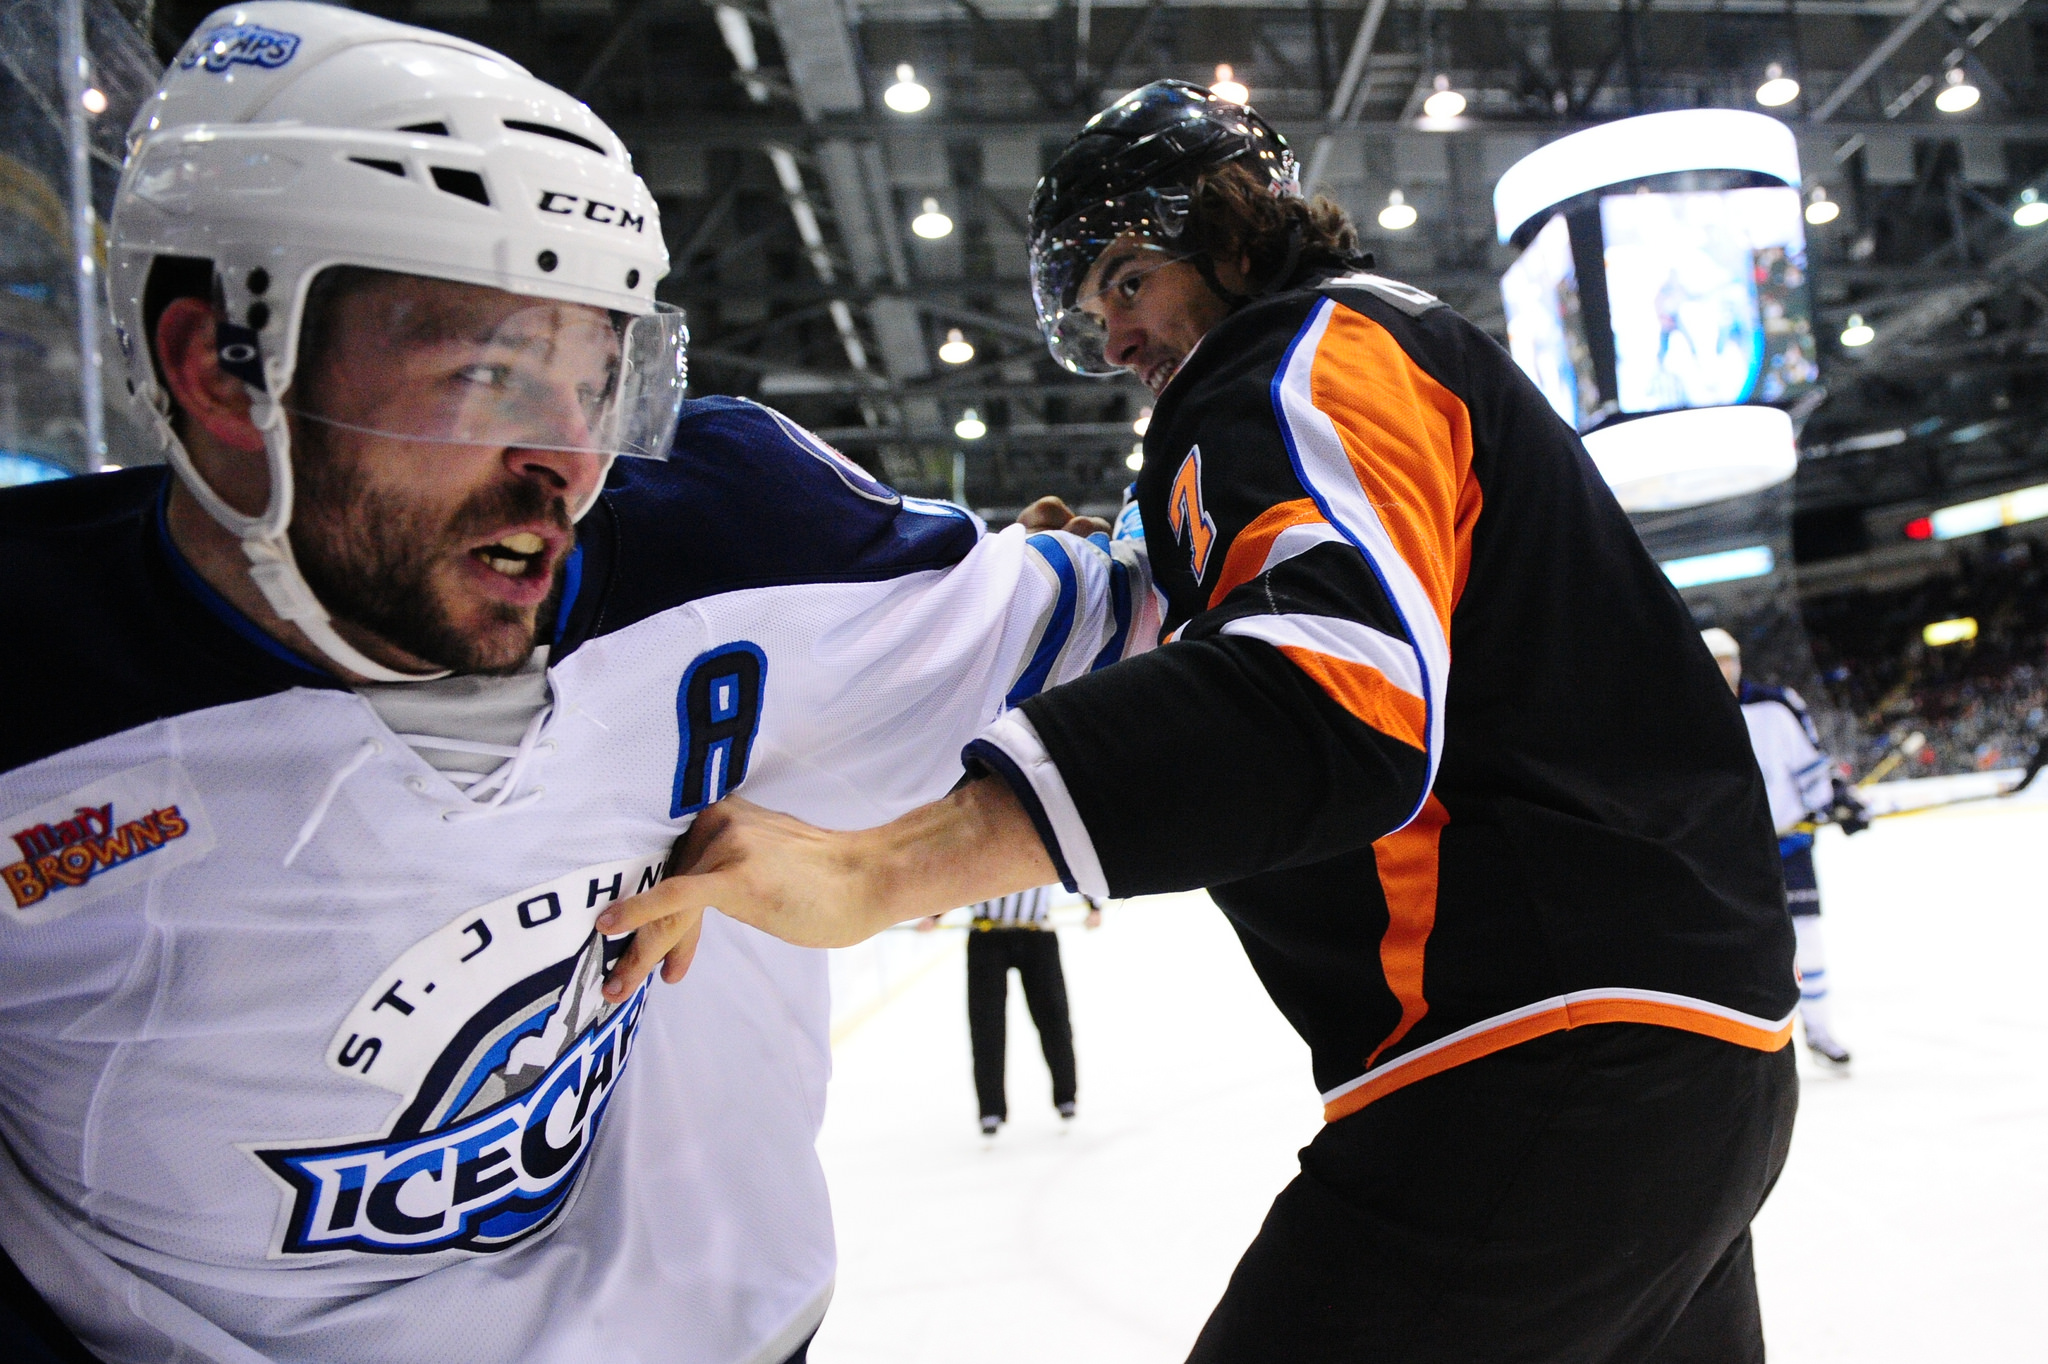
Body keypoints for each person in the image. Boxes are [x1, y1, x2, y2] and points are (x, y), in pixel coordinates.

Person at [0, 7, 1154, 1362]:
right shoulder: (38, 685)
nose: (565, 464)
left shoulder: (735, 554)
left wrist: (1301, 358)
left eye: (598, 381)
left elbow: (1166, 610)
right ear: (221, 367)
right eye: (487, 372)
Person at [606, 80, 1802, 1362]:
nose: (1113, 337)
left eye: (1125, 277)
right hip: (1691, 1062)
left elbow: (1331, 692)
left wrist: (875, 863)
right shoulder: (1376, 368)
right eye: (1088, 313)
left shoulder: (1300, 353)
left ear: (1234, 232)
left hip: (1543, 1061)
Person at [1704, 627, 1865, 1068]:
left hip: (1790, 844)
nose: (1726, 668)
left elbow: (1809, 761)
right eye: (1715, 660)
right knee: (1748, 951)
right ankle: (1762, 1046)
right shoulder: (1691, 715)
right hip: (1734, 856)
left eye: (1730, 658)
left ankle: (1819, 1029)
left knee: (1807, 940)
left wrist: (1839, 800)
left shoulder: (1775, 705)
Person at [920, 887, 1101, 1135]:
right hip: (987, 935)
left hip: (1036, 932)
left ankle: (1066, 1096)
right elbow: (960, 876)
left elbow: (1071, 862)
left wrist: (1094, 906)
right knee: (986, 1026)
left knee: (1054, 1018)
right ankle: (991, 1109)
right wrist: (934, 915)